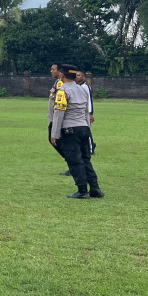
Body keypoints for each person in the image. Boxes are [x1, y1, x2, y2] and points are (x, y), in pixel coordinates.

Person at [50, 65, 103, 199]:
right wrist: (87, 129)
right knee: (86, 160)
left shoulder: (62, 91)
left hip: (70, 129)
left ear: (62, 74)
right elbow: (86, 111)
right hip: (84, 128)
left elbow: (59, 113)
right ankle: (95, 188)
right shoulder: (82, 90)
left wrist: (54, 134)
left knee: (74, 160)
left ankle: (82, 190)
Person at [76, 70, 96, 155]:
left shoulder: (85, 87)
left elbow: (89, 100)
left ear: (83, 77)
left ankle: (91, 149)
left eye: (79, 75)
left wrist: (91, 113)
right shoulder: (76, 86)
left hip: (86, 112)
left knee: (87, 130)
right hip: (78, 112)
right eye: (76, 75)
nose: (77, 77)